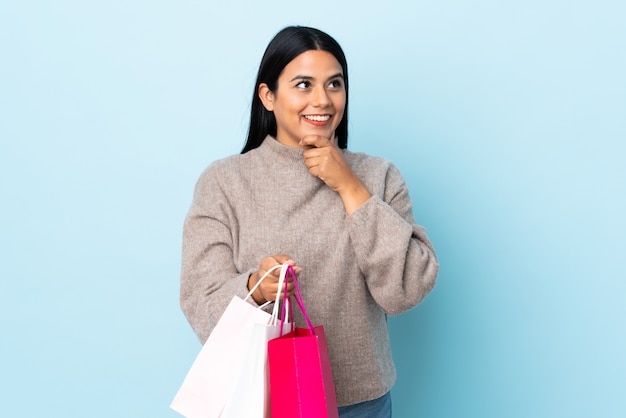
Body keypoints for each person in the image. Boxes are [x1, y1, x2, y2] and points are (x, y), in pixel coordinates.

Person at [180, 26, 439, 417]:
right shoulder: (224, 182)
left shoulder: (378, 176)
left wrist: (350, 187)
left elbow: (406, 289)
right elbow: (200, 298)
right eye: (303, 84)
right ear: (268, 96)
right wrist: (257, 287)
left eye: (334, 84)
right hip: (261, 401)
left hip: (360, 403)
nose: (322, 100)